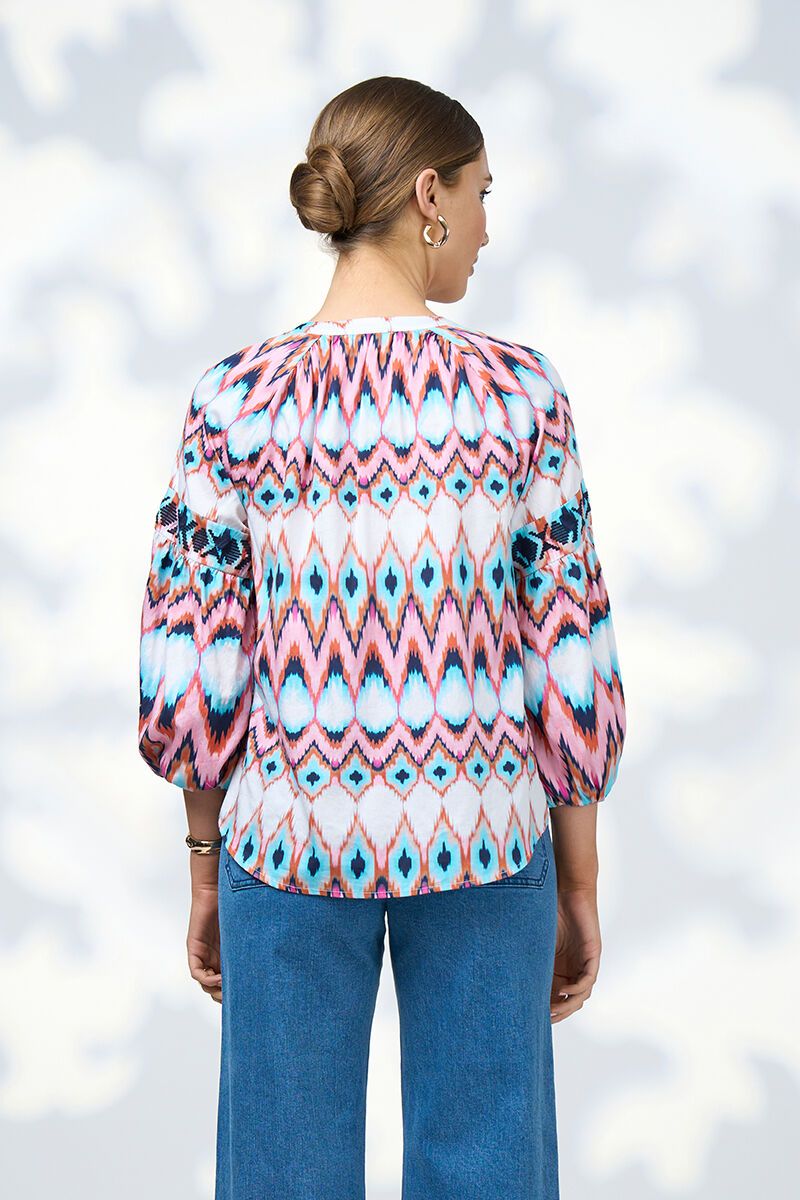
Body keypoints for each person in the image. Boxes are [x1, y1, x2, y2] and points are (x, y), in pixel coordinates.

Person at [137, 75, 626, 1200]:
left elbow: (192, 666)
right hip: (486, 839)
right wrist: (579, 880)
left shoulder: (234, 400)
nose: (488, 226)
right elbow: (570, 659)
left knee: (280, 1176)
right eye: (482, 193)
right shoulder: (518, 394)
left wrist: (205, 867)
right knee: (489, 1173)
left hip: (286, 844)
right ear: (428, 196)